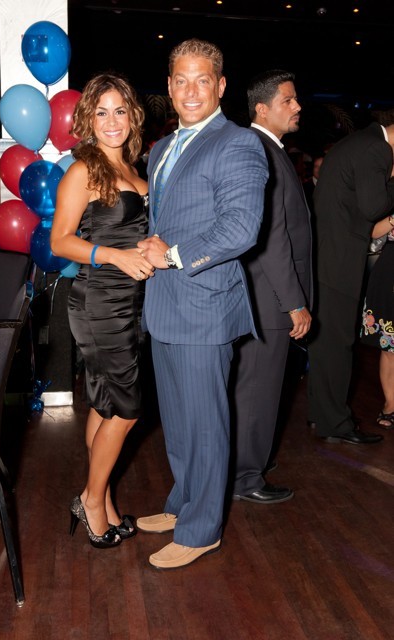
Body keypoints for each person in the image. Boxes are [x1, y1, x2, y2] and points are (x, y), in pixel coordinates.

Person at [136, 38, 268, 569]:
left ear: (220, 86)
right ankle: (183, 504)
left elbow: (241, 229)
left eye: (202, 80)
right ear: (169, 87)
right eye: (181, 81)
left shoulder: (238, 143)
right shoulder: (160, 149)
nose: (191, 91)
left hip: (205, 306)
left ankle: (202, 529)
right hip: (165, 305)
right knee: (179, 421)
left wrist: (171, 256)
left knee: (206, 425)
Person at [50, 71, 155, 549]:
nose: (112, 121)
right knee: (128, 411)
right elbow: (60, 241)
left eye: (120, 111)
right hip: (99, 302)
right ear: (88, 120)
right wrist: (115, 255)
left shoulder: (135, 169)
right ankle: (91, 500)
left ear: (132, 115)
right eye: (101, 112)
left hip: (132, 302)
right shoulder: (83, 171)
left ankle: (103, 497)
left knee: (105, 404)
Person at [230, 70, 312, 505]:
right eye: (288, 100)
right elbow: (270, 238)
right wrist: (293, 301)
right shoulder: (259, 150)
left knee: (256, 389)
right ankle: (245, 476)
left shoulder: (268, 148)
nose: (297, 107)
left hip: (264, 294)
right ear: (262, 109)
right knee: (257, 391)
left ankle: (249, 460)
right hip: (268, 296)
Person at [306, 108, 394, 444]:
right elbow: (374, 207)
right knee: (337, 345)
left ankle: (321, 413)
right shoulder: (376, 148)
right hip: (338, 260)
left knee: (326, 343)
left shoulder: (359, 142)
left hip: (329, 256)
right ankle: (336, 424)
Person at [361, 213, 394, 429]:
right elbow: (371, 232)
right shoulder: (388, 197)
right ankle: (391, 404)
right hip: (390, 272)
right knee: (389, 346)